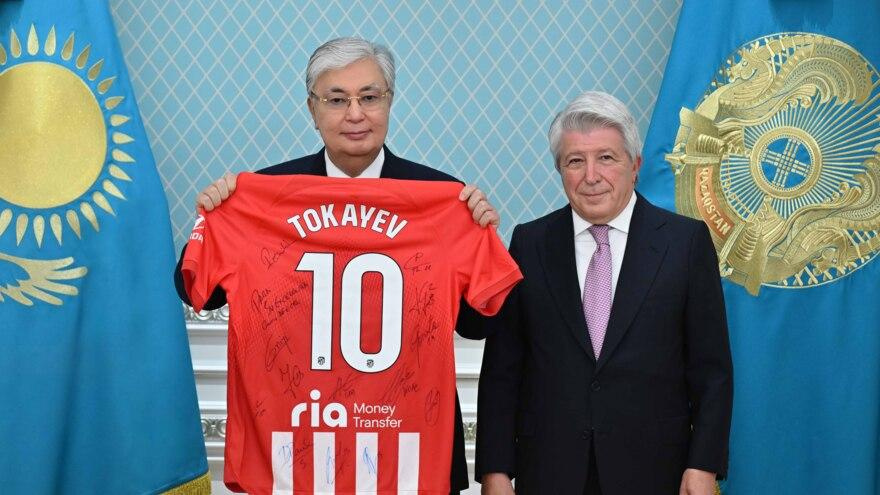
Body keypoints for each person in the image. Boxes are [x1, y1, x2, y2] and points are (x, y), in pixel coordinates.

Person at [173, 37, 500, 494]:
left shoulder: (443, 197)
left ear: (389, 102)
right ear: (312, 109)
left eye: (369, 97)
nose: (355, 114)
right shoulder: (263, 194)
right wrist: (214, 216)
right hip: (295, 456)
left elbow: (477, 325)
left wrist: (479, 232)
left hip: (408, 456)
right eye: (337, 99)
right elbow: (199, 294)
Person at [475, 91, 733, 495]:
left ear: (635, 165)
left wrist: (703, 465)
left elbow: (711, 370)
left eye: (606, 158)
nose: (591, 176)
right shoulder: (530, 244)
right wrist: (495, 471)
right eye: (575, 161)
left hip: (655, 473)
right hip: (550, 473)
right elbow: (502, 371)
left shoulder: (684, 244)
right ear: (560, 170)